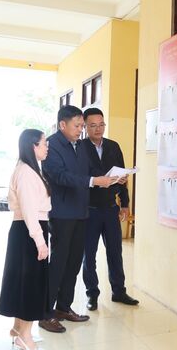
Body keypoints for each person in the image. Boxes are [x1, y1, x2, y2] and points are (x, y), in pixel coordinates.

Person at [39, 105, 117, 333]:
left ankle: (63, 307)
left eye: (82, 126)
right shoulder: (52, 146)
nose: (81, 130)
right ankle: (45, 313)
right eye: (77, 126)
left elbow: (89, 170)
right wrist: (94, 181)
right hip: (62, 214)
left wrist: (112, 178)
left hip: (82, 213)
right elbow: (60, 176)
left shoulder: (80, 145)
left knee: (73, 263)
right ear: (62, 125)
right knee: (58, 264)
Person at [0, 129, 51, 350]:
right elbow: (30, 211)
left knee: (23, 281)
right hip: (30, 231)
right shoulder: (27, 172)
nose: (47, 147)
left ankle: (18, 328)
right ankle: (25, 336)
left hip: (25, 230)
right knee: (31, 284)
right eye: (44, 143)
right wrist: (40, 241)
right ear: (33, 146)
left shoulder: (26, 169)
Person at [82, 108, 139, 311]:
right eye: (93, 125)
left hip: (110, 208)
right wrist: (102, 178)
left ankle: (119, 291)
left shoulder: (113, 146)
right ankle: (92, 294)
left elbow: (123, 175)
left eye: (101, 125)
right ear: (85, 127)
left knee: (115, 251)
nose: (98, 129)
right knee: (89, 255)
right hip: (89, 210)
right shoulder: (79, 148)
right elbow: (83, 177)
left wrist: (125, 203)